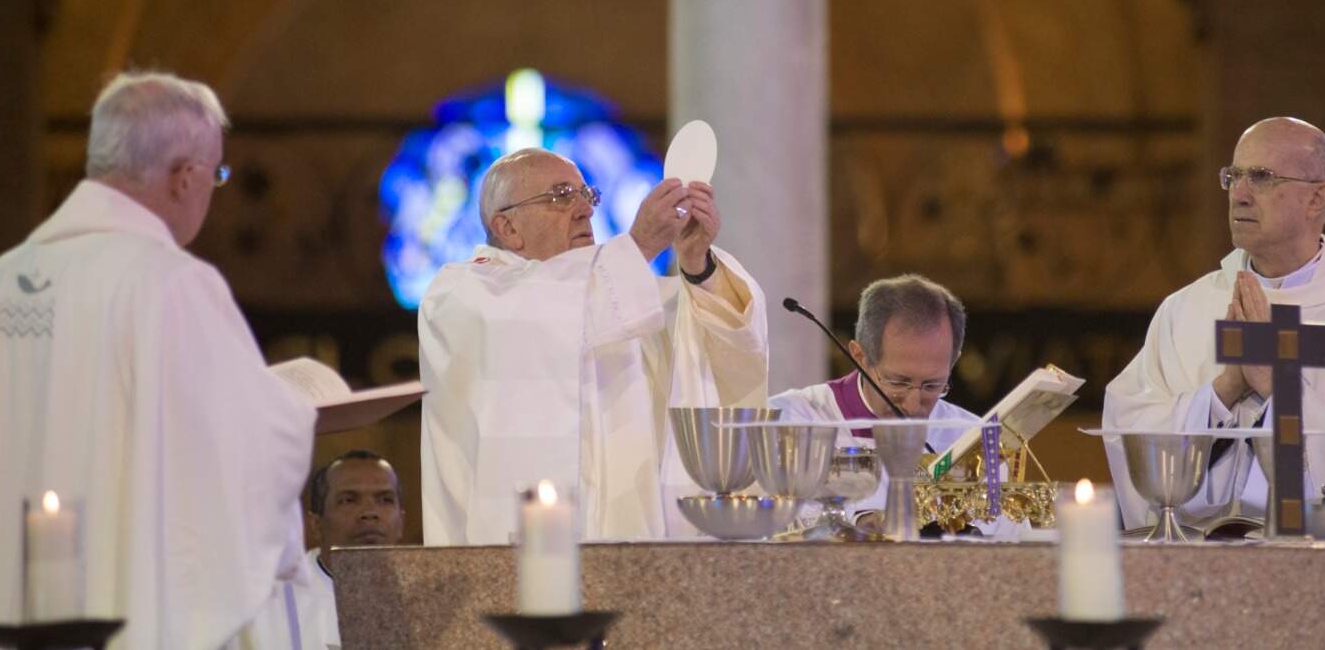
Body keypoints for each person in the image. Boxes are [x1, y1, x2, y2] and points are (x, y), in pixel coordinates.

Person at [0, 71, 316, 649]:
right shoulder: (169, 284)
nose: (211, 192)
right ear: (184, 176)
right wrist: (297, 407)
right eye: (216, 175)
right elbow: (250, 452)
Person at [1102, 116, 1325, 544]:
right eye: (1234, 176)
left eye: (1262, 178)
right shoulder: (1185, 310)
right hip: (1205, 566)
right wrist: (1224, 389)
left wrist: (1275, 387)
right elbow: (1129, 422)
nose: (1240, 194)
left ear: (1317, 199)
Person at [419, 147, 769, 543]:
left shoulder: (621, 290)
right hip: (512, 556)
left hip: (637, 547)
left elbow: (722, 340)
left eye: (588, 195)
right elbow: (535, 326)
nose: (585, 209)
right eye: (561, 196)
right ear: (507, 228)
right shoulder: (460, 292)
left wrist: (696, 262)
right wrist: (639, 246)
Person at [770, 274, 1013, 535]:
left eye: (932, 386)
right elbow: (777, 516)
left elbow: (1003, 533)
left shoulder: (971, 437)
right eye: (898, 382)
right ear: (860, 357)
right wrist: (858, 522)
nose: (913, 405)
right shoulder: (792, 419)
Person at [285, 451, 406, 650]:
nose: (370, 513)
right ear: (316, 524)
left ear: (401, 522)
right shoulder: (277, 601)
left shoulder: (430, 595)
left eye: (385, 499)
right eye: (349, 500)